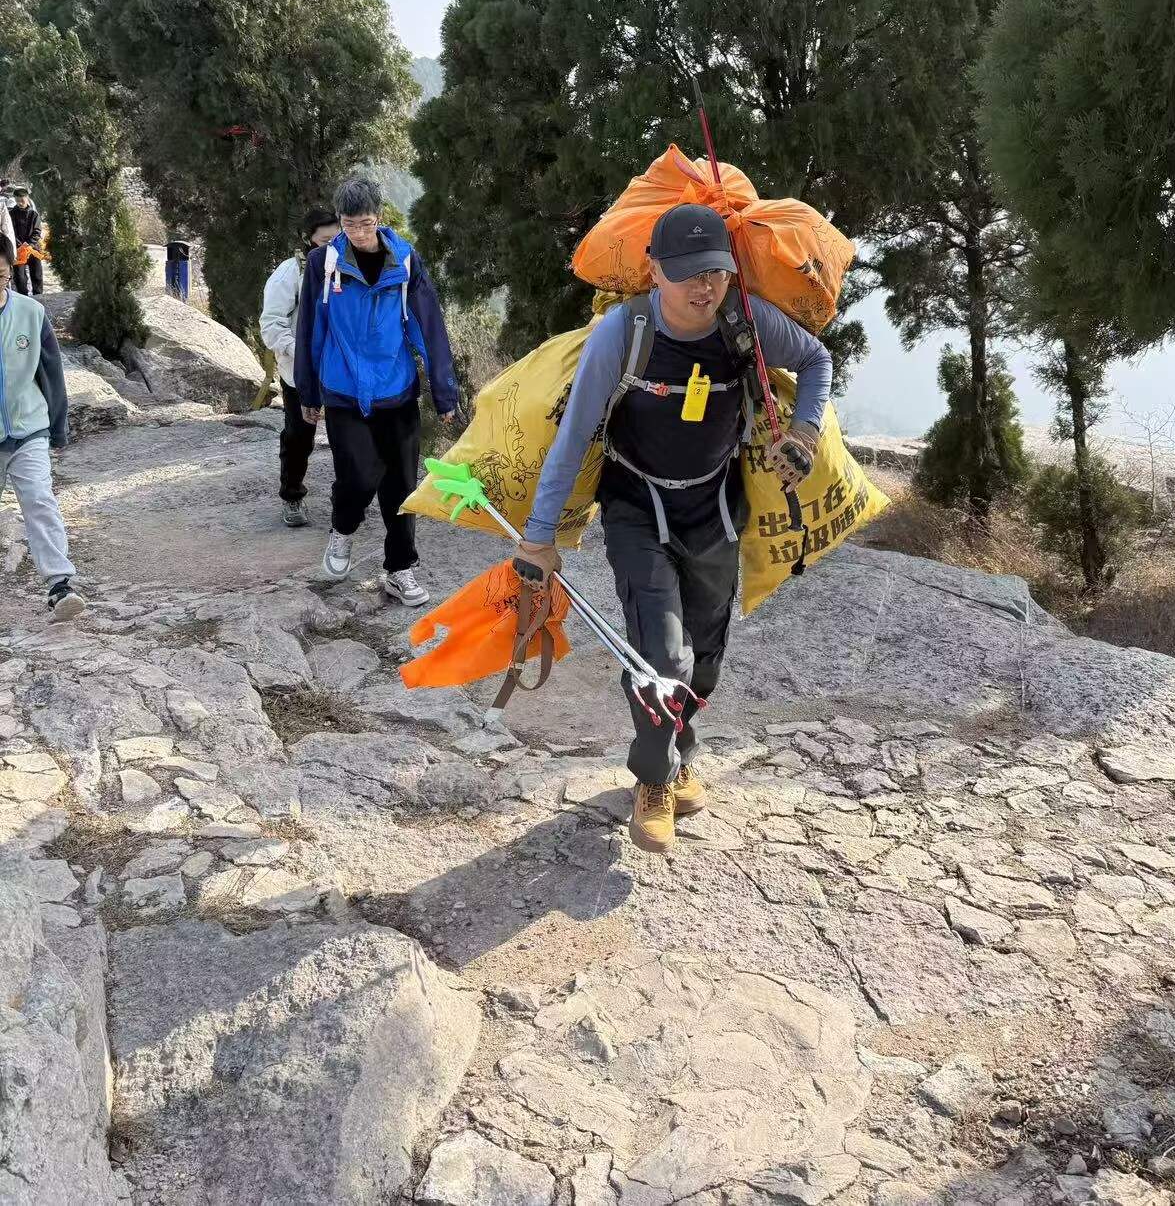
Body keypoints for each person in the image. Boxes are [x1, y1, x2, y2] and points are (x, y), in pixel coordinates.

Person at [515, 205, 832, 854]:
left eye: (714, 271)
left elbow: (817, 360)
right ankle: (653, 778)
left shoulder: (746, 321)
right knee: (662, 653)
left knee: (706, 657)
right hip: (636, 505)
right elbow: (574, 436)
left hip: (713, 504)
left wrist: (804, 430)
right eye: (687, 274)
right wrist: (539, 538)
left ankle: (680, 750)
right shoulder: (622, 333)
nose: (703, 288)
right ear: (654, 270)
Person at [294, 177, 458, 606]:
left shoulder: (404, 261)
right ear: (340, 222)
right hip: (344, 390)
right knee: (359, 473)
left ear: (379, 219)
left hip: (396, 388)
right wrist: (308, 394)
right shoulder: (322, 263)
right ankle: (342, 531)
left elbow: (428, 324)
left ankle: (399, 569)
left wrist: (443, 391)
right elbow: (312, 327)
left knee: (403, 485)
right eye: (349, 225)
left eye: (365, 224)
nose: (358, 233)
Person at [0, 244, 85, 620]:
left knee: (39, 500)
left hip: (27, 427)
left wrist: (57, 428)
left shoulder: (31, 313)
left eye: (0, 276)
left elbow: (51, 373)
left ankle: (59, 585)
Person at [260, 208, 340, 528]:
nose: (332, 246)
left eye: (338, 239)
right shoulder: (290, 273)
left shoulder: (349, 267)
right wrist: (300, 352)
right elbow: (271, 325)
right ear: (309, 241)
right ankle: (292, 496)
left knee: (347, 437)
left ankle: (344, 503)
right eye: (325, 241)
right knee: (299, 435)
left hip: (340, 372)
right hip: (300, 372)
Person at [10, 188, 44, 297]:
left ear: (27, 198)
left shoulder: (34, 215)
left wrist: (29, 244)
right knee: (20, 277)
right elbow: (10, 231)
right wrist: (20, 245)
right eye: (17, 200)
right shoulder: (11, 214)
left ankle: (38, 297)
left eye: (22, 200)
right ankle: (23, 297)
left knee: (37, 275)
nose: (20, 203)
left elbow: (37, 232)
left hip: (33, 249)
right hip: (18, 249)